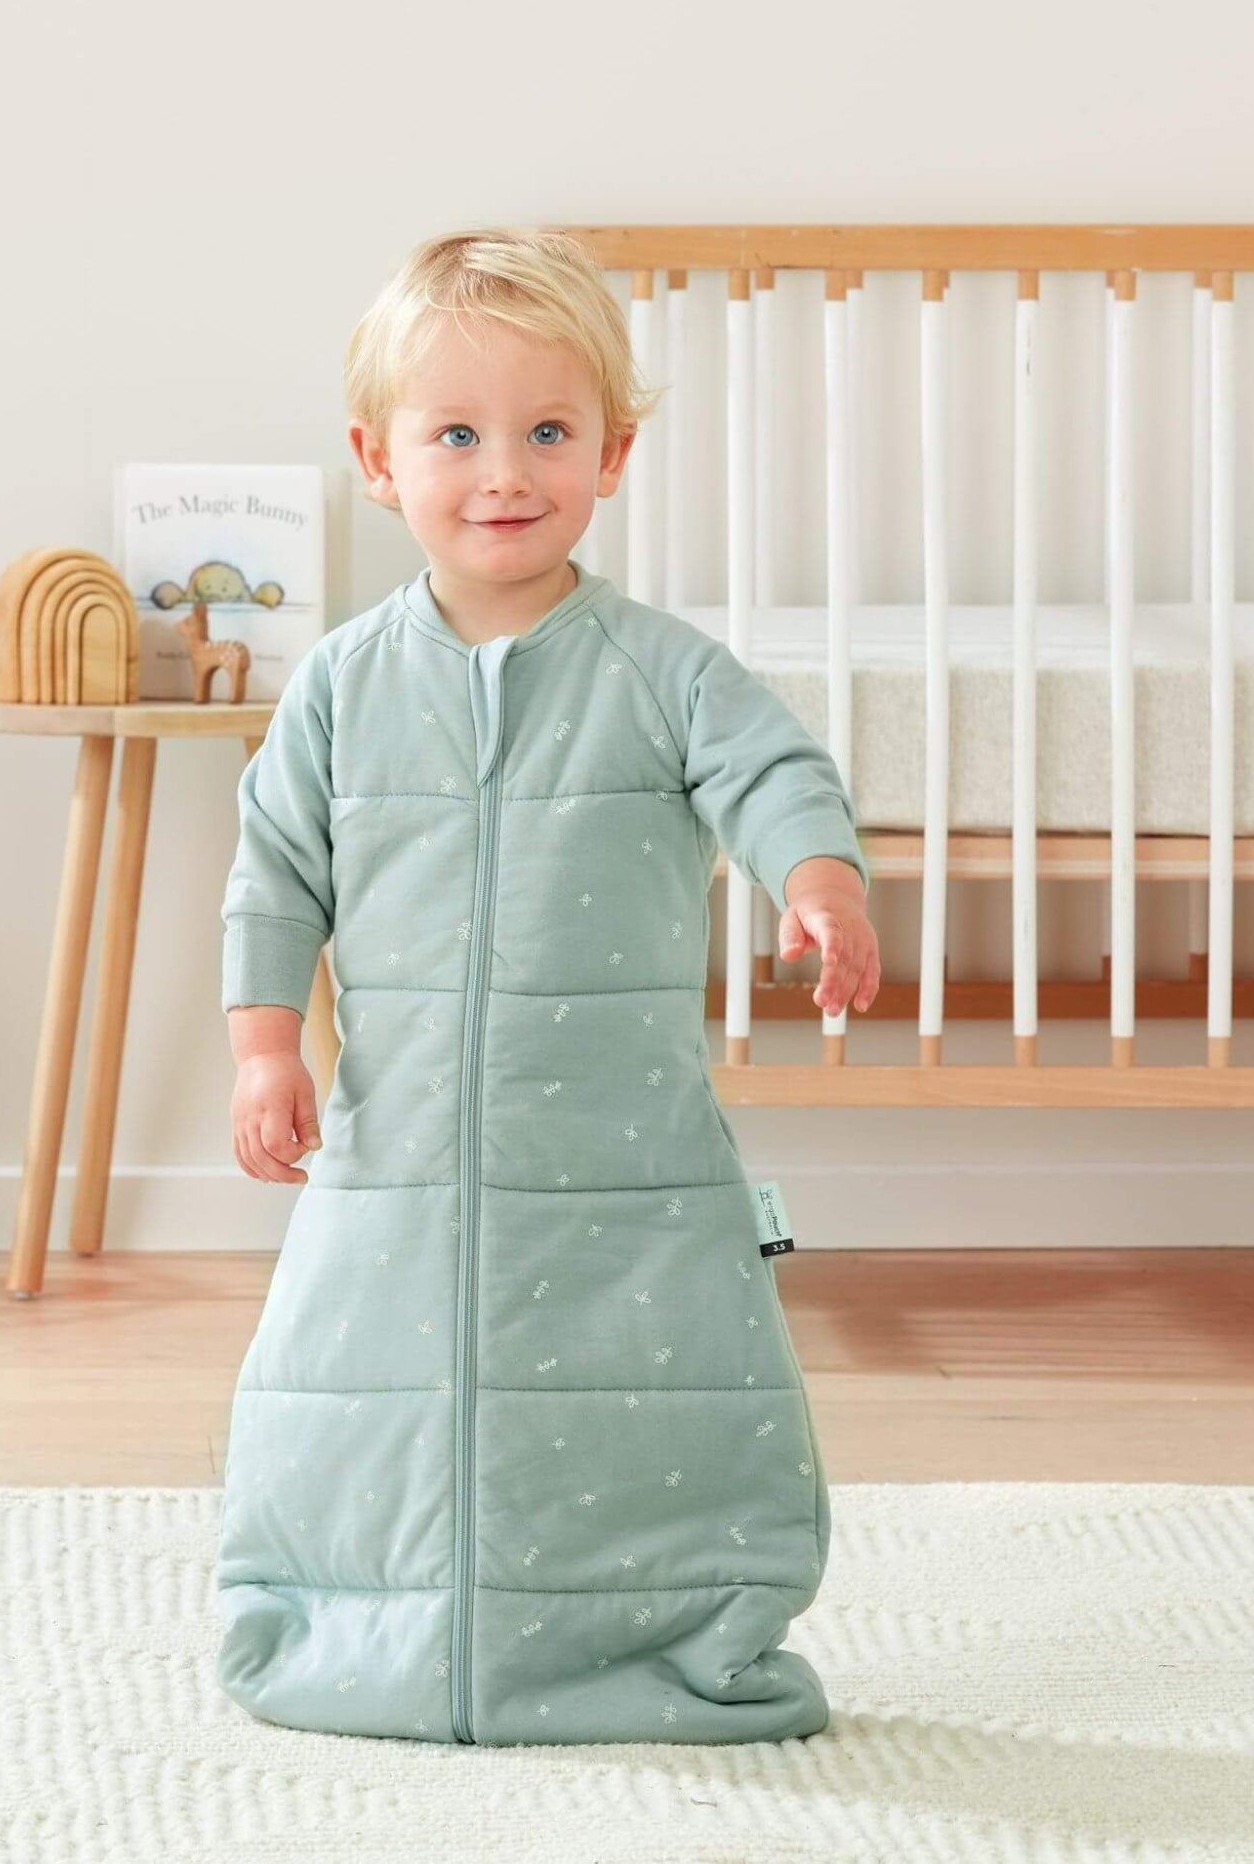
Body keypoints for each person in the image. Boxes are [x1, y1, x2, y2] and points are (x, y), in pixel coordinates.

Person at [214, 226, 880, 1746]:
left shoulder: (660, 671)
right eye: (454, 432)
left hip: (620, 1157)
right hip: (400, 1150)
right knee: (353, 1397)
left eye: (546, 431)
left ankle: (663, 1633)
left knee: (654, 1404)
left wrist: (816, 884)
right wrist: (265, 1050)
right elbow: (273, 873)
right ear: (378, 462)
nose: (501, 470)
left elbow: (774, 774)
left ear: (610, 453)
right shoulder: (337, 683)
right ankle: (355, 1624)